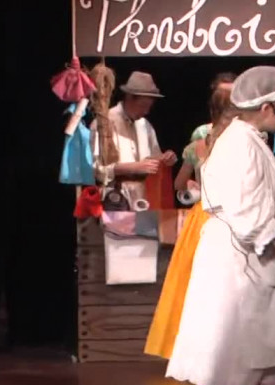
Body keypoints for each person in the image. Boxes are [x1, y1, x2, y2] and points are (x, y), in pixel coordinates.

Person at [165, 66, 275, 385]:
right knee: (223, 364)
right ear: (264, 106)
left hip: (244, 262)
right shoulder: (240, 146)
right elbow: (245, 216)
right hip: (238, 266)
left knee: (254, 362)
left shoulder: (248, 141)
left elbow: (260, 205)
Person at [144, 89, 235, 361]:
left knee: (198, 285)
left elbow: (178, 184)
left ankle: (199, 347)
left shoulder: (200, 146)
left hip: (206, 216)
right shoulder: (233, 144)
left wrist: (194, 184)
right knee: (217, 285)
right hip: (222, 216)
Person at [90, 71, 178, 206]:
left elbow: (154, 159)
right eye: (143, 106)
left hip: (144, 200)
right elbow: (95, 169)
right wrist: (132, 168)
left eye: (149, 107)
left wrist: (165, 159)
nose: (146, 112)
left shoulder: (145, 125)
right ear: (130, 98)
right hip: (114, 199)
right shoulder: (105, 123)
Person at [189, 72, 238, 142]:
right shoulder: (202, 133)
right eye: (221, 95)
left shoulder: (249, 131)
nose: (228, 101)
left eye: (232, 95)